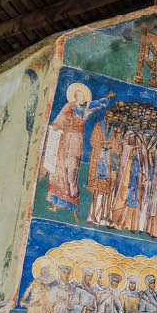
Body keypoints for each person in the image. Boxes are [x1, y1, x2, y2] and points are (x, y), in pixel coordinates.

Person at [42, 83, 114, 218]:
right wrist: (56, 128)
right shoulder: (68, 107)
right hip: (65, 140)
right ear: (75, 97)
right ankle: (56, 204)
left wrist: (107, 98)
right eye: (78, 95)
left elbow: (98, 103)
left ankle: (74, 205)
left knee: (72, 170)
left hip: (76, 140)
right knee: (59, 169)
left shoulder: (87, 106)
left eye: (82, 95)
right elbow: (59, 121)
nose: (80, 98)